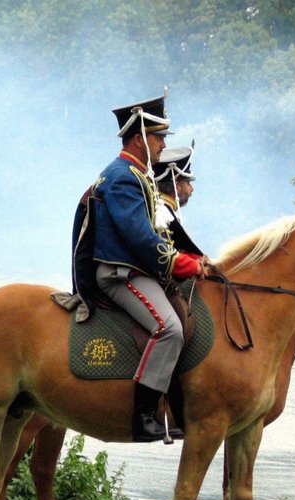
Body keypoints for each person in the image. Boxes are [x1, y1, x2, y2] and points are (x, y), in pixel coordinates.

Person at [73, 96, 204, 442]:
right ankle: (143, 417)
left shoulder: (137, 175)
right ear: (139, 139)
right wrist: (180, 263)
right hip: (121, 274)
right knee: (169, 328)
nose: (163, 145)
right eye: (158, 138)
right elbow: (139, 236)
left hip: (137, 271)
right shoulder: (121, 177)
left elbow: (159, 231)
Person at [151, 145, 204, 256]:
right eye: (188, 183)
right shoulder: (162, 212)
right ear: (176, 184)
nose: (192, 189)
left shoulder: (161, 208)